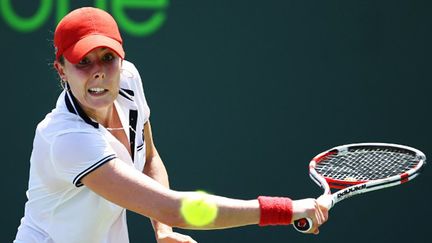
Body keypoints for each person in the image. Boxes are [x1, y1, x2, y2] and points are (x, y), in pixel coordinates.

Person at [14, 7, 329, 243]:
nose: (98, 72)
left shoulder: (128, 81)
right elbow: (174, 207)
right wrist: (283, 209)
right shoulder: (67, 140)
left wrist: (162, 231)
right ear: (61, 70)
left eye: (107, 57)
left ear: (121, 59)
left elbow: (149, 158)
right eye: (83, 61)